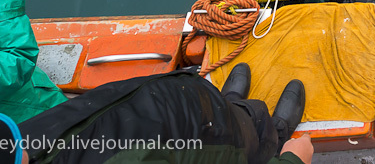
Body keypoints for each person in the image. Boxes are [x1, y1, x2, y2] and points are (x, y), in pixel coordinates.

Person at [16, 64, 312, 164]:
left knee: (223, 109)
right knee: (251, 127)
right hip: (206, 142)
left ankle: (229, 101)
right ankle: (275, 134)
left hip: (175, 103)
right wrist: (292, 160)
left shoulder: (16, 141)